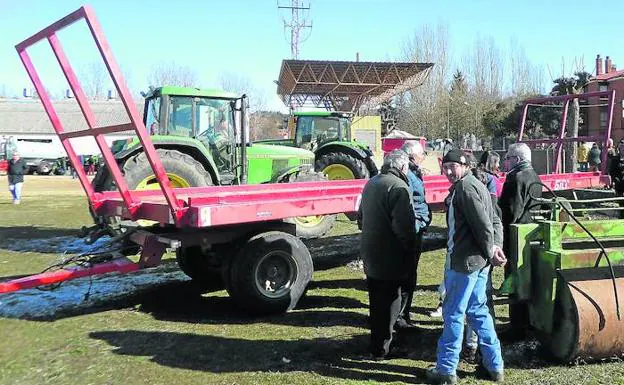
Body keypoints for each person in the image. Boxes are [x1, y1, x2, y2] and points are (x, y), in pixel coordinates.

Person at [426, 149, 506, 384]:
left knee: (453, 314)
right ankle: (495, 366)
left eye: (453, 166)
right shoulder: (479, 183)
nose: (449, 172)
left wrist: (492, 249)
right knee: (479, 312)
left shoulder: (465, 187)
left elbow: (484, 224)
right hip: (478, 263)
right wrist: (494, 247)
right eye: (446, 167)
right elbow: (494, 220)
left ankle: (446, 370)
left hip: (465, 264)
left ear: (465, 165)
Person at [357, 150, 417, 360]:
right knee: (392, 301)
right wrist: (409, 249)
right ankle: (383, 348)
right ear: (402, 168)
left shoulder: (371, 183)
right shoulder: (399, 187)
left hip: (370, 252)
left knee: (376, 301)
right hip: (390, 255)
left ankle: (376, 344)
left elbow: (360, 218)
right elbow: (404, 227)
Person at [498, 143, 541, 337]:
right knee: (528, 277)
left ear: (518, 159)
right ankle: (528, 321)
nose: (505, 161)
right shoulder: (534, 176)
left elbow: (511, 211)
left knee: (515, 279)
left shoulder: (515, 178)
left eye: (508, 157)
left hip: (515, 236)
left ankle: (517, 326)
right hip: (531, 233)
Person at [396, 141, 431, 329]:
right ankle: (401, 316)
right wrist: (418, 222)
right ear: (411, 157)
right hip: (411, 230)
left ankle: (403, 313)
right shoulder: (406, 174)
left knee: (409, 273)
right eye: (421, 155)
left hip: (415, 227)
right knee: (406, 275)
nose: (423, 158)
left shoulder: (412, 172)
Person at [609, 139, 624, 219]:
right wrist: (615, 180)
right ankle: (622, 218)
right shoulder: (615, 159)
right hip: (619, 186)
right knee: (621, 203)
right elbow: (612, 172)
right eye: (622, 148)